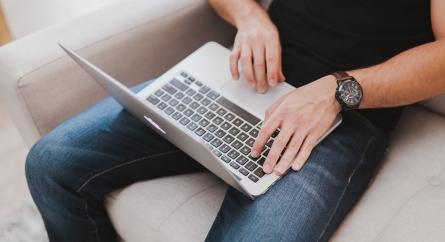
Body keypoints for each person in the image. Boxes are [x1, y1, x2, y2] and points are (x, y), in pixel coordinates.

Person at [25, 0, 445, 241]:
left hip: (344, 113)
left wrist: (336, 92)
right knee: (50, 163)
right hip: (247, 77)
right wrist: (250, 16)